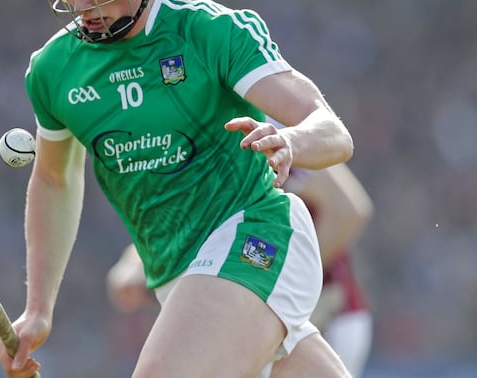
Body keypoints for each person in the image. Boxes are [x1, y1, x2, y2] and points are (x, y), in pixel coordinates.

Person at [0, 0, 354, 376]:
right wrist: (38, 308)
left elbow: (333, 131)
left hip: (257, 235)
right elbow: (54, 179)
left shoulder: (209, 31)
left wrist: (291, 141)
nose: (80, 2)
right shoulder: (53, 71)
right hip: (178, 277)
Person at [107, 161, 374, 377]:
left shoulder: (271, 125)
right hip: (253, 304)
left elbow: (347, 211)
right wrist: (132, 262)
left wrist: (294, 288)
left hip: (326, 312)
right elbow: (185, 219)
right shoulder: (204, 136)